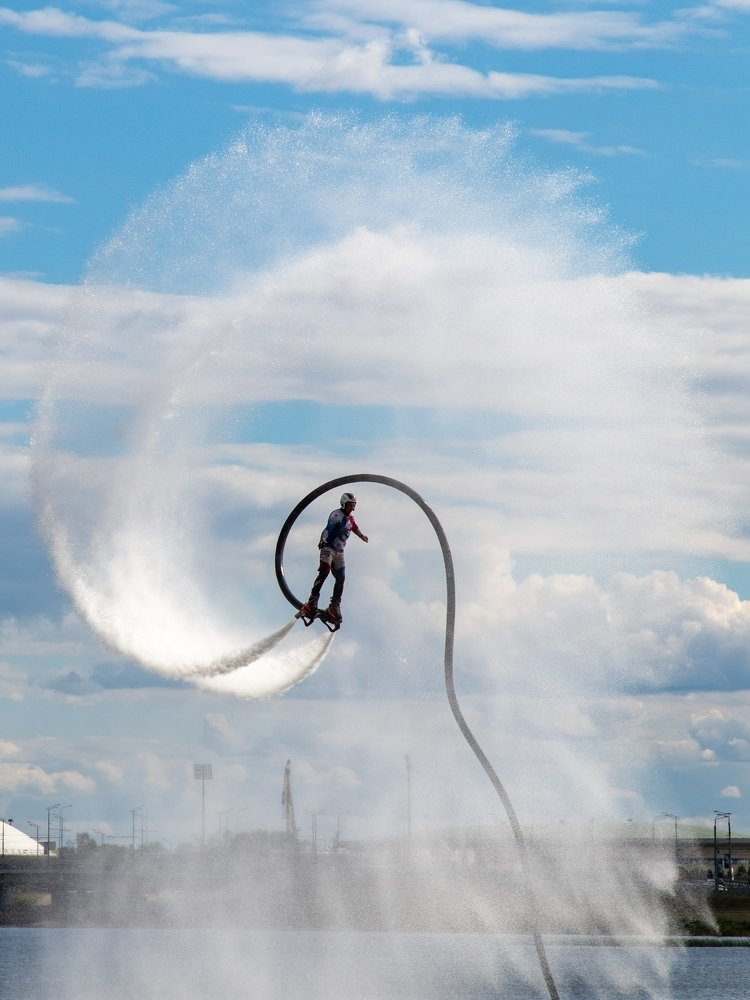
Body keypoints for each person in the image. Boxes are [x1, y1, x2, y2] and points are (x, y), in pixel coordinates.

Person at [300, 492, 368, 625]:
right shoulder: (336, 516)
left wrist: (361, 536)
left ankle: (334, 605)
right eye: (350, 505)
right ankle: (312, 600)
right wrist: (323, 540)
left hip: (340, 551)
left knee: (341, 578)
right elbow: (327, 529)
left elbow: (354, 527)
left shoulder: (351, 518)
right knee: (324, 572)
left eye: (354, 505)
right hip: (328, 548)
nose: (352, 508)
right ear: (343, 504)